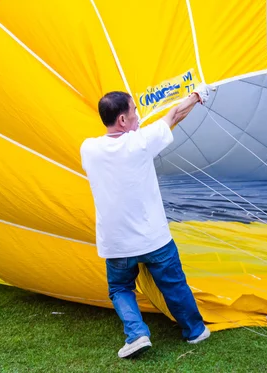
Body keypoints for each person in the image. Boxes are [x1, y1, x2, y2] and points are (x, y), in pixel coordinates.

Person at [80, 84, 215, 358]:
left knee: (120, 288)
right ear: (122, 119)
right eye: (134, 111)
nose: (138, 116)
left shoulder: (88, 148)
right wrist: (198, 95)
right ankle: (195, 331)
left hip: (116, 243)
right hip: (154, 239)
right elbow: (175, 114)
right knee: (173, 284)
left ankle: (137, 333)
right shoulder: (140, 142)